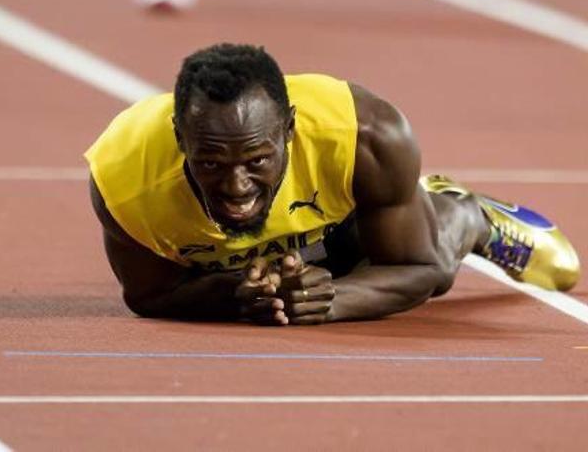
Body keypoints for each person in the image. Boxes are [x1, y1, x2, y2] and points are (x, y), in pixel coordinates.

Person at [85, 43, 581, 325]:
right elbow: (149, 297)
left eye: (257, 159)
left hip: (335, 220)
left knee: (427, 265)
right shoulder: (123, 175)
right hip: (236, 261)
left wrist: (330, 300)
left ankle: (466, 214)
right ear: (180, 138)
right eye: (210, 163)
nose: (236, 187)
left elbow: (416, 269)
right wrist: (238, 294)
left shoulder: (366, 135)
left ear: (290, 130)